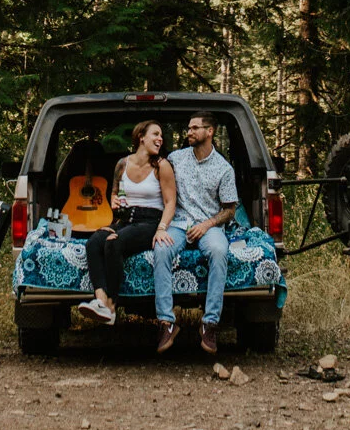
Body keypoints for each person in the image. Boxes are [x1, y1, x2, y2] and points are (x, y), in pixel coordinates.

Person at [153, 110, 239, 356]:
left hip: (208, 226)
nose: (188, 132)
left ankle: (210, 324)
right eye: (188, 128)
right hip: (178, 223)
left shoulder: (224, 169)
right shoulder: (176, 159)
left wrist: (208, 225)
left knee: (220, 251)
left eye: (194, 128)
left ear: (209, 132)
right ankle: (166, 323)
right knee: (160, 248)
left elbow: (230, 209)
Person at [77, 120, 176, 325]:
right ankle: (100, 301)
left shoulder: (162, 166)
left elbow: (170, 202)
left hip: (150, 222)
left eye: (161, 136)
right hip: (125, 219)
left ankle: (112, 306)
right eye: (155, 134)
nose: (160, 139)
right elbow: (114, 193)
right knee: (94, 243)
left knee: (113, 242)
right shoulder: (122, 164)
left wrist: (161, 228)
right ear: (141, 137)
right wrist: (113, 200)